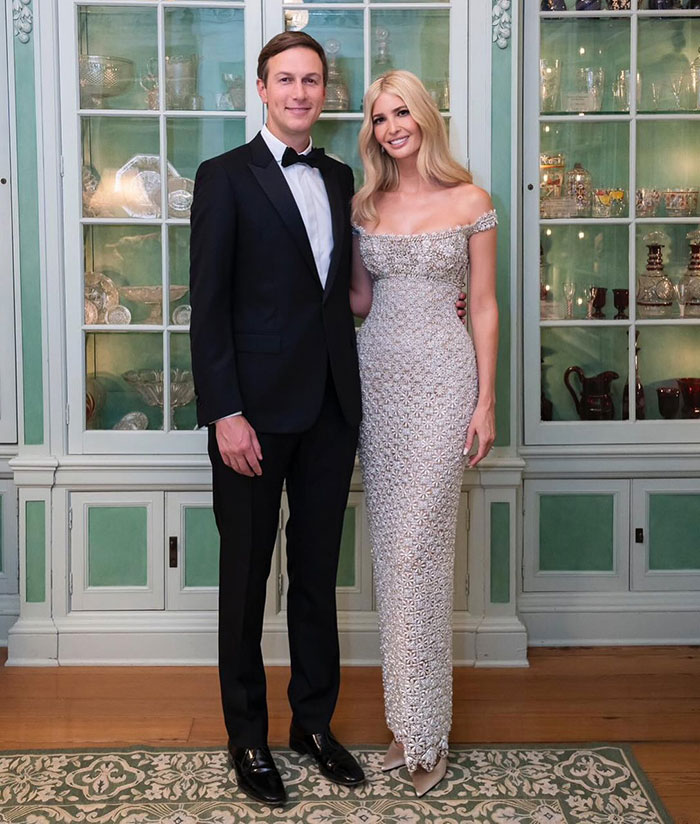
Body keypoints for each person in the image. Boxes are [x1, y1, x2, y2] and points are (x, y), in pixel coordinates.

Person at [189, 31, 366, 807]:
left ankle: (314, 726)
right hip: (252, 417)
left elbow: (346, 292)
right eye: (286, 79)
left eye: (313, 80)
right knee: (245, 578)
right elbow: (210, 307)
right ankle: (247, 738)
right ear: (260, 89)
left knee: (317, 578)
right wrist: (225, 412)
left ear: (326, 92)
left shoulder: (339, 174)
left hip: (330, 407)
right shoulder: (224, 177)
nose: (300, 92)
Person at [349, 70, 498, 797]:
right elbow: (354, 298)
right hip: (377, 382)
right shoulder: (364, 206)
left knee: (418, 553)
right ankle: (406, 728)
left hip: (444, 384)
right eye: (380, 118)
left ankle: (428, 730)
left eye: (401, 111)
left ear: (425, 116)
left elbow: (488, 308)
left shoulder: (472, 202)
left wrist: (486, 402)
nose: (392, 126)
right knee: (391, 557)